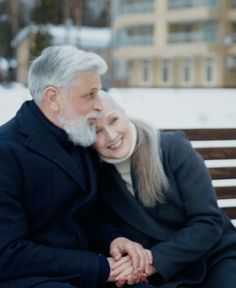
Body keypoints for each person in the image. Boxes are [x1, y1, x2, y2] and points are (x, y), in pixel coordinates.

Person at [0, 45, 152, 288]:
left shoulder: (79, 134)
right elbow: (8, 254)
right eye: (89, 94)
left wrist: (114, 240)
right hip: (34, 278)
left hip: (86, 271)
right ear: (53, 98)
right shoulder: (6, 150)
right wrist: (100, 268)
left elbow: (85, 217)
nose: (99, 105)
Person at [93, 91, 236, 288]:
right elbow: (99, 224)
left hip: (212, 256)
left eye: (114, 120)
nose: (111, 135)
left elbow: (208, 222)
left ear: (124, 113)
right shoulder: (96, 174)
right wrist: (121, 246)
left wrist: (155, 261)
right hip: (153, 271)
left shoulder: (172, 148)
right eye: (96, 131)